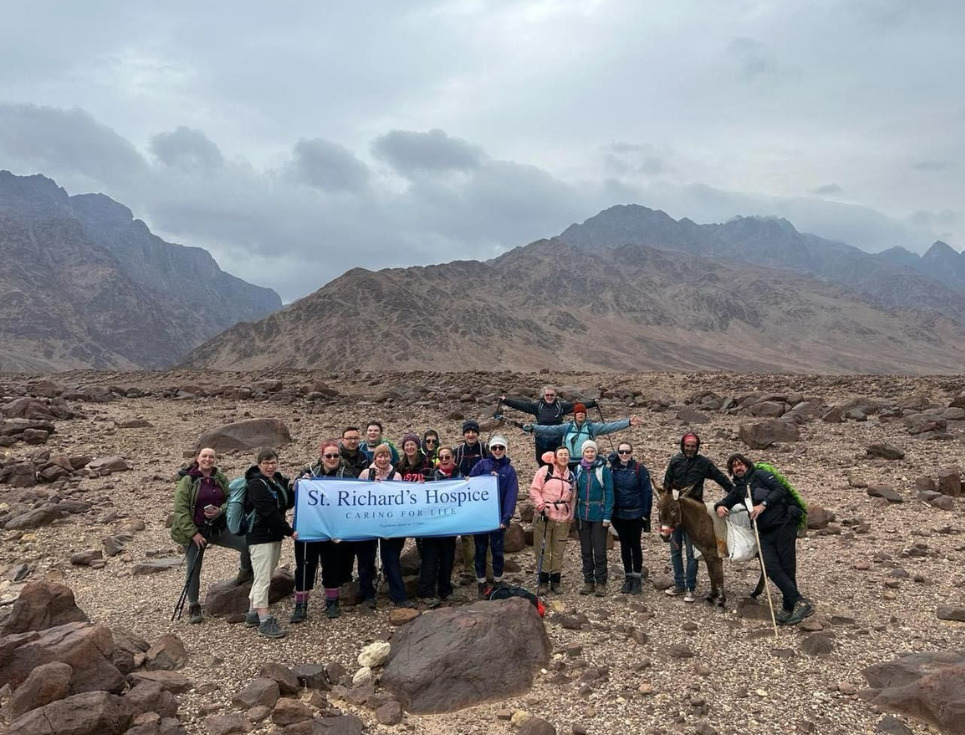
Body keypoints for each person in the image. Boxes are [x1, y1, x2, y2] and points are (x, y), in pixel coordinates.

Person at [716, 454, 813, 625]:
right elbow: (726, 501)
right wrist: (720, 507)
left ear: (747, 464)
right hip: (764, 532)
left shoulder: (760, 475)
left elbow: (780, 490)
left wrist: (763, 505)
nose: (738, 468)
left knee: (787, 567)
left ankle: (789, 606)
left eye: (740, 464)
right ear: (731, 471)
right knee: (770, 567)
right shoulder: (739, 488)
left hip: (783, 524)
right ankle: (800, 601)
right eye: (734, 466)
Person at [171, 447, 253, 624]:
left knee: (247, 543)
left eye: (211, 457)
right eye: (204, 456)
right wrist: (194, 534)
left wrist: (220, 510)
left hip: (217, 527)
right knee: (194, 567)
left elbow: (230, 499)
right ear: (198, 458)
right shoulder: (187, 480)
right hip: (195, 531)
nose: (208, 459)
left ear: (215, 459)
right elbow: (181, 510)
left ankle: (245, 573)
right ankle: (193, 605)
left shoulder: (220, 478)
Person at [662, 431, 734, 602]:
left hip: (695, 513)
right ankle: (679, 584)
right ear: (683, 446)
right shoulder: (675, 461)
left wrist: (734, 495)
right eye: (687, 446)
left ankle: (690, 588)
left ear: (697, 447)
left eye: (693, 446)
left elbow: (720, 478)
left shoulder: (704, 463)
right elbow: (667, 485)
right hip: (676, 512)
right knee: (675, 550)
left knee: (692, 552)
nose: (690, 449)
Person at [290, 440, 354, 623]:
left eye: (335, 455)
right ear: (322, 457)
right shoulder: (308, 473)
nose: (332, 458)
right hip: (308, 529)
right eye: (329, 455)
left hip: (332, 530)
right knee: (304, 566)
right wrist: (299, 483)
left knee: (332, 565)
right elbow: (293, 489)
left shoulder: (346, 475)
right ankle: (301, 605)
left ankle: (332, 601)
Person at [243, 448, 296, 638]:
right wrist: (290, 531)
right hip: (260, 537)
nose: (270, 466)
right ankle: (264, 621)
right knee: (263, 579)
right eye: (266, 463)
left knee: (262, 576)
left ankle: (252, 614)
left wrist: (292, 490)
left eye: (273, 462)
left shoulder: (274, 482)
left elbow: (284, 504)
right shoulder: (256, 485)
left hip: (273, 536)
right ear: (259, 465)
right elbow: (268, 512)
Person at [361, 444, 413, 608]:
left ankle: (399, 596)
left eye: (386, 455)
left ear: (391, 457)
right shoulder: (365, 474)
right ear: (374, 458)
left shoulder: (396, 475)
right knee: (366, 561)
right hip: (368, 522)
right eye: (379, 456)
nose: (383, 459)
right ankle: (368, 595)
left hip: (390, 524)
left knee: (391, 561)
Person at [469, 435, 519, 598]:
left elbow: (511, 495)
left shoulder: (509, 471)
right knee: (481, 550)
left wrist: (506, 518)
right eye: (495, 448)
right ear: (490, 449)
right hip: (481, 518)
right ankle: (481, 581)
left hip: (498, 518)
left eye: (501, 448)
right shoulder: (482, 465)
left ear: (505, 450)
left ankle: (498, 579)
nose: (497, 450)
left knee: (497, 550)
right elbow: (470, 485)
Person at [501, 387, 599, 465]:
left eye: (551, 395)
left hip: (557, 440)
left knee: (557, 462)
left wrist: (593, 403)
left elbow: (577, 406)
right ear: (543, 396)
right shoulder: (537, 406)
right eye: (547, 395)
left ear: (555, 395)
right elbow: (521, 405)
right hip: (541, 440)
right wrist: (505, 401)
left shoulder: (561, 406)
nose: (549, 397)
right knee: (542, 461)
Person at [525, 405, 643, 467]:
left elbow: (609, 427)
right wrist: (534, 427)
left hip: (585, 462)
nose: (580, 414)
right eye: (578, 413)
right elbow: (550, 430)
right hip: (568, 462)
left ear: (585, 415)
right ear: (575, 415)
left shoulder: (592, 427)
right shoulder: (567, 427)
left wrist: (627, 423)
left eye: (582, 412)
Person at [529, 446, 575, 594]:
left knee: (558, 550)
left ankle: (555, 580)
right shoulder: (544, 471)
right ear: (555, 457)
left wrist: (571, 516)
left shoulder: (571, 476)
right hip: (545, 515)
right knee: (543, 549)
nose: (563, 457)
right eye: (560, 454)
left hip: (563, 517)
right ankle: (543, 580)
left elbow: (573, 498)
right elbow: (534, 490)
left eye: (566, 455)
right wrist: (542, 507)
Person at [608, 442, 652, 595]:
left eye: (627, 451)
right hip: (619, 514)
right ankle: (628, 577)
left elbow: (647, 491)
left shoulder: (640, 469)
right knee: (624, 546)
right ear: (618, 452)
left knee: (636, 545)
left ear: (632, 452)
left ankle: (637, 577)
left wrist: (646, 513)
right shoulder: (613, 469)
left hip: (636, 514)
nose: (624, 454)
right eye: (621, 451)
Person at [416, 447, 458, 606]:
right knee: (430, 560)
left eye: (448, 456)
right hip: (432, 526)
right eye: (442, 457)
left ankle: (445, 590)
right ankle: (426, 591)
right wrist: (419, 487)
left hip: (450, 525)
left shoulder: (460, 476)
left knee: (448, 559)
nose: (445, 459)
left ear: (453, 458)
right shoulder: (430, 476)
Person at [573, 440, 614, 597]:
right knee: (585, 549)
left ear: (596, 452)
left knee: (600, 550)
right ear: (582, 453)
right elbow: (574, 492)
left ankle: (601, 581)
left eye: (592, 451)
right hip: (582, 515)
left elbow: (610, 493)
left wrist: (607, 516)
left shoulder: (603, 470)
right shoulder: (578, 469)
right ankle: (588, 580)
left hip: (599, 514)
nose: (589, 454)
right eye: (587, 452)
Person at [453, 420, 493, 583]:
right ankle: (469, 570)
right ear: (464, 434)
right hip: (464, 499)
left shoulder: (485, 450)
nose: (470, 434)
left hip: (482, 499)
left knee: (484, 534)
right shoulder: (458, 452)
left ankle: (487, 570)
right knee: (466, 536)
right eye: (467, 432)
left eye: (473, 431)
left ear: (478, 433)